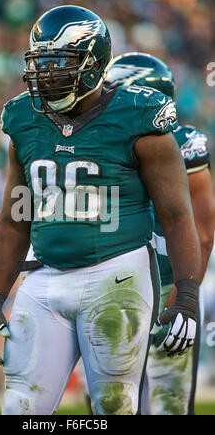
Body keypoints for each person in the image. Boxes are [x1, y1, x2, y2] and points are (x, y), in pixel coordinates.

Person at [0, 6, 201, 415]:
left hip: (116, 274)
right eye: (40, 64)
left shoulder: (138, 115)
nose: (46, 76)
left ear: (93, 62)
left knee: (113, 406)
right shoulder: (23, 118)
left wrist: (186, 295)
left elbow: (176, 216)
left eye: (59, 64)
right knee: (20, 408)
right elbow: (15, 218)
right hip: (43, 279)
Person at [104, 52, 215, 415]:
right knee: (111, 402)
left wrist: (183, 296)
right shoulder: (98, 144)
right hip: (112, 286)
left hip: (167, 284)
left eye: (113, 93)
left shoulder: (185, 143)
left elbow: (202, 230)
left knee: (169, 403)